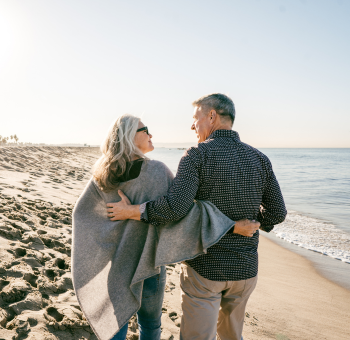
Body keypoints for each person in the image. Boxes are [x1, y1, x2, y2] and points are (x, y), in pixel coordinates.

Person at [107, 94, 287, 340]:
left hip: (206, 269)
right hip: (245, 269)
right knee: (232, 336)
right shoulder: (260, 159)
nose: (193, 125)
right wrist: (254, 223)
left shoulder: (197, 155)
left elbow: (175, 208)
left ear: (211, 116)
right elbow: (278, 213)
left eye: (196, 118)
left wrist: (133, 211)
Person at [72, 113, 259, 340]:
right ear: (130, 136)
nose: (151, 134)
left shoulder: (102, 173)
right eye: (145, 130)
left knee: (115, 323)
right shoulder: (157, 171)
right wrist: (231, 226)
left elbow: (82, 215)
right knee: (150, 325)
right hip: (149, 262)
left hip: (117, 263)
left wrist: (110, 237)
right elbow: (185, 213)